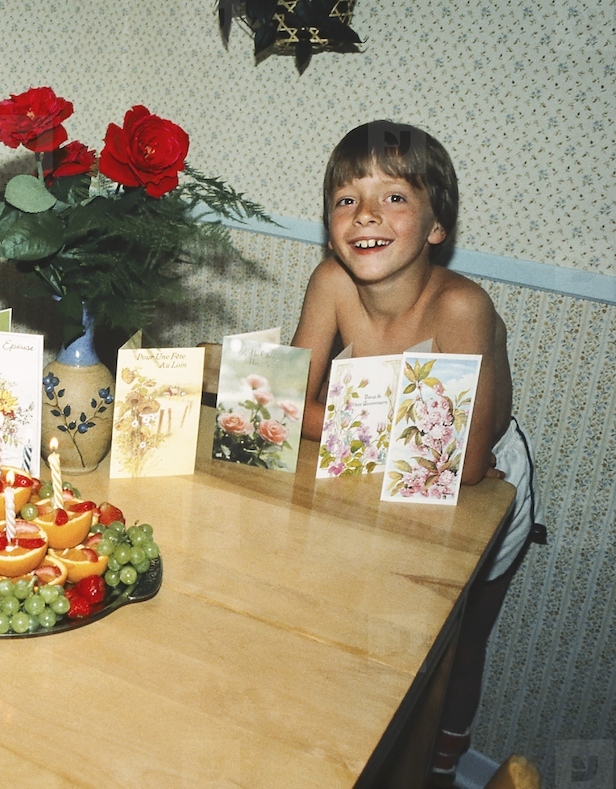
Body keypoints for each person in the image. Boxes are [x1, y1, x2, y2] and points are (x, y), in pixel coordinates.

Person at [290, 120, 540, 783]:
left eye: (395, 196)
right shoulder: (331, 284)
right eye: (347, 198)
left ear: (437, 226)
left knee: (456, 644)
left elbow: (462, 463)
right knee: (374, 624)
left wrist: (313, 417)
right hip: (379, 468)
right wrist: (398, 432)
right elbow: (278, 403)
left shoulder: (462, 304)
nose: (366, 213)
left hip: (488, 492)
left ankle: (440, 762)